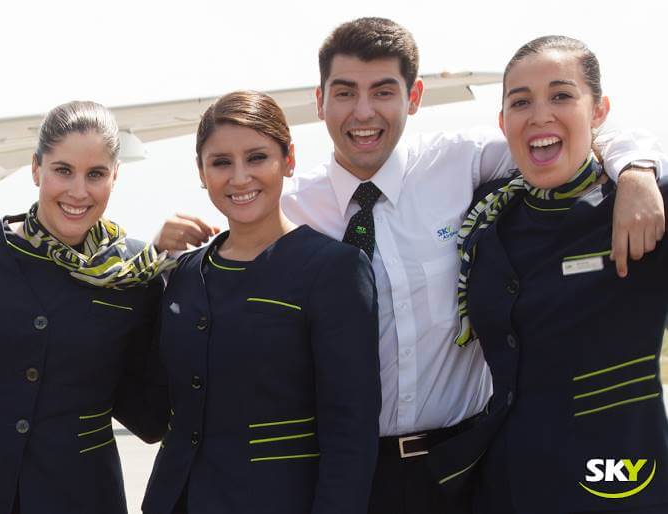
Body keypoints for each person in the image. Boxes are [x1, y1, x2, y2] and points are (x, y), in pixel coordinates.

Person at [156, 18, 668, 514]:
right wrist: (162, 249)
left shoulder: (462, 162)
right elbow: (227, 237)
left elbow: (562, 129)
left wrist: (638, 170)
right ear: (320, 101)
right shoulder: (288, 205)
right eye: (344, 92)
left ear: (414, 98)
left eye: (382, 91)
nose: (363, 112)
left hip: (463, 464)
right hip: (345, 471)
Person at [439, 35, 668, 514]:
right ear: (503, 122)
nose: (540, 115)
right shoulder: (487, 211)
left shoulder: (645, 201)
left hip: (617, 481)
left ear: (599, 111)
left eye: (561, 95)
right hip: (503, 483)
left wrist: (641, 172)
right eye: (521, 102)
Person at [141, 91, 380, 514]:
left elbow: (351, 431)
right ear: (201, 172)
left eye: (257, 158)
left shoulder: (333, 270)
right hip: (177, 499)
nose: (239, 178)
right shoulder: (184, 274)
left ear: (288, 161)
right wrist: (147, 264)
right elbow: (149, 402)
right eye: (220, 163)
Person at [0, 101, 171, 514]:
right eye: (63, 170)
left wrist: (188, 282)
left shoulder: (136, 275)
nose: (78, 191)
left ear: (115, 177)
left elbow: (151, 416)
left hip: (82, 497)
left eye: (96, 174)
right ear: (36, 169)